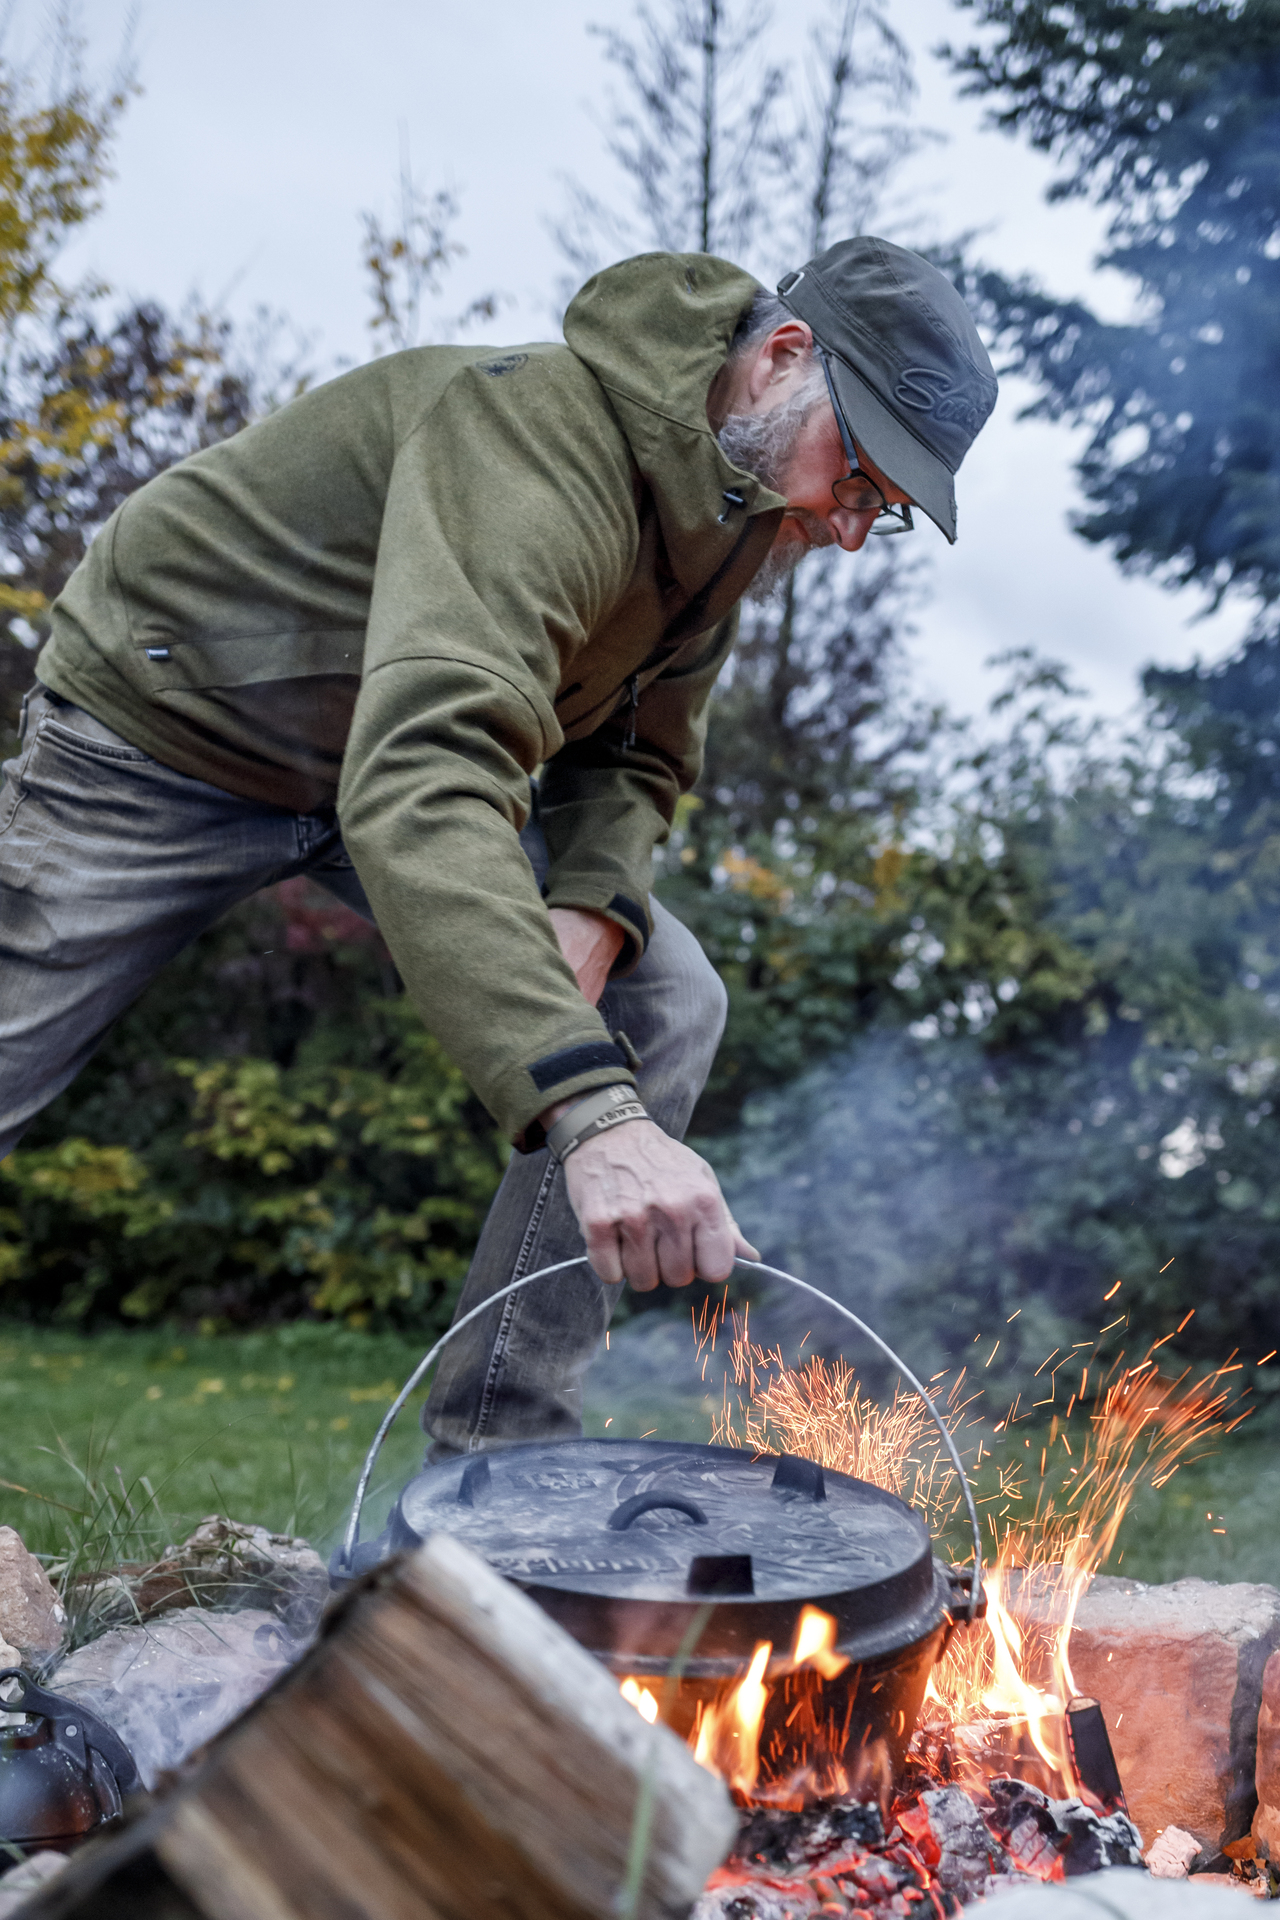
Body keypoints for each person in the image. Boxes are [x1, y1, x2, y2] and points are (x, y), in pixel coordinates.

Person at [0, 237, 997, 1455]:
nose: (845, 528)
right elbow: (426, 767)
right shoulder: (530, 437)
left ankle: (497, 1470)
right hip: (167, 726)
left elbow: (633, 752)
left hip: (378, 758)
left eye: (880, 510)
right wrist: (591, 1113)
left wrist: (593, 895)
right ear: (782, 357)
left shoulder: (736, 517)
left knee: (665, 994)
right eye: (858, 473)